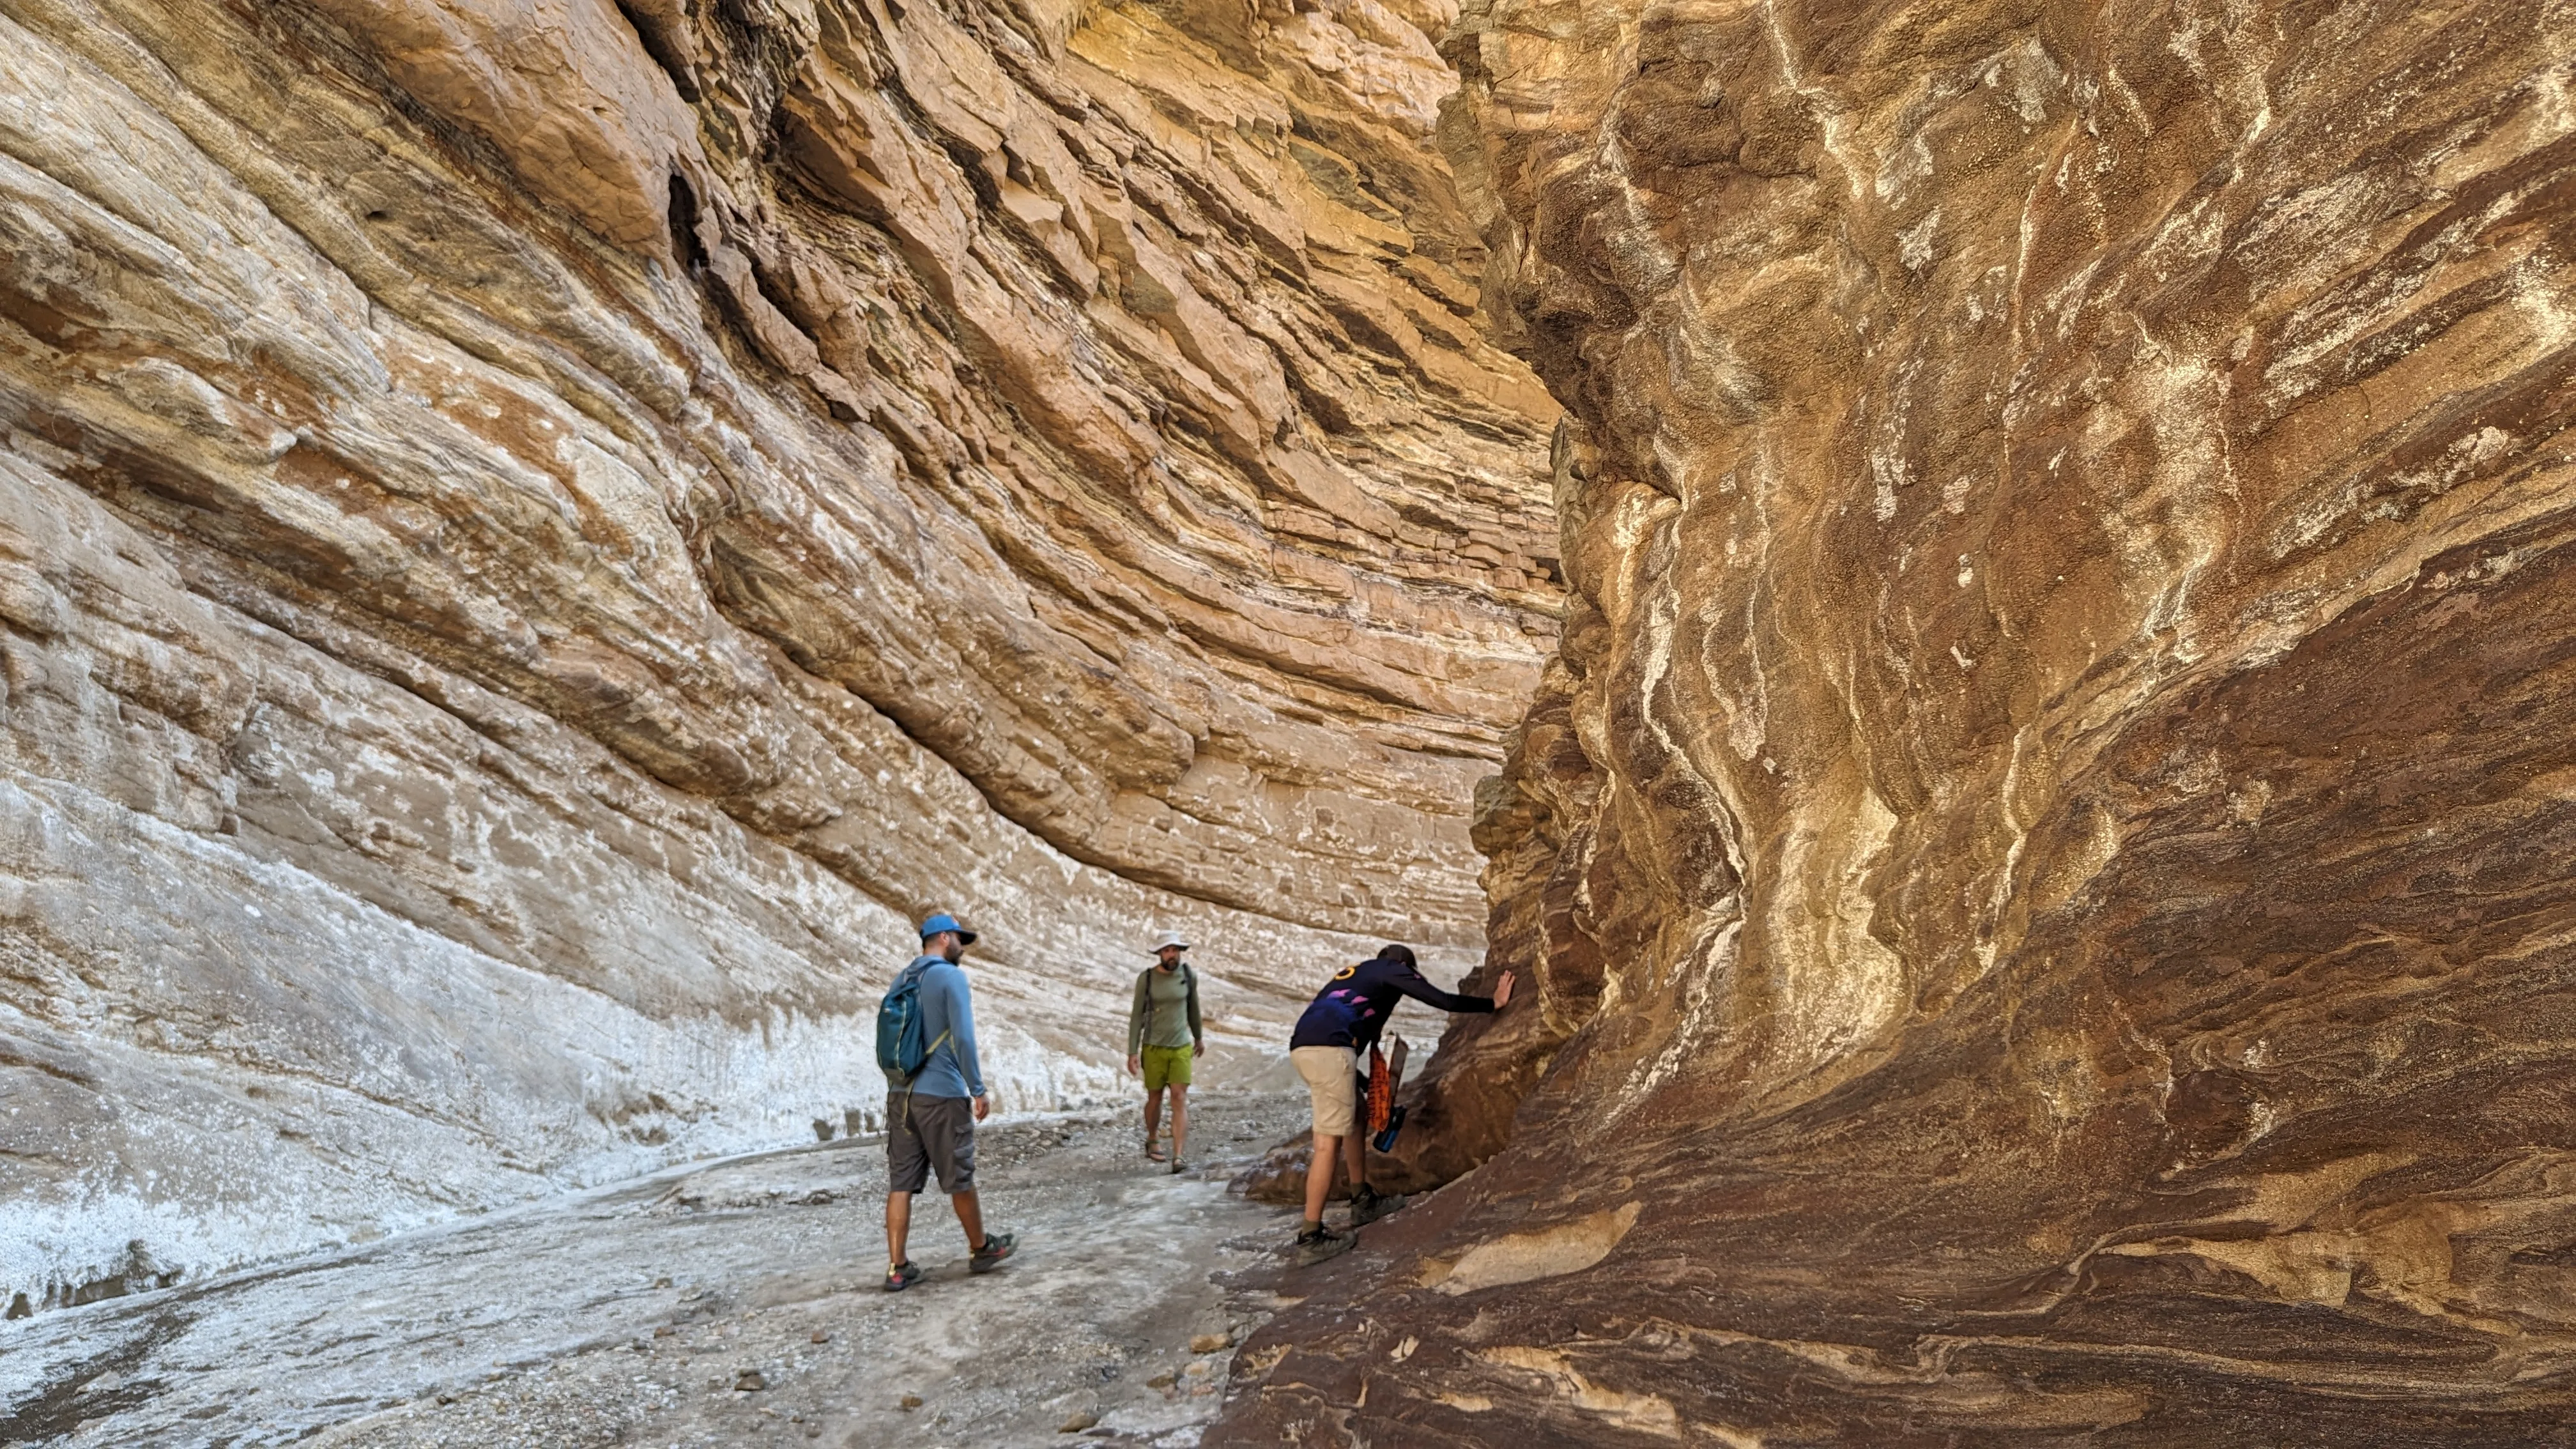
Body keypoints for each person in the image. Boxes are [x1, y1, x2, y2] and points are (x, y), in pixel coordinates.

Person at [1285, 945, 1514, 1264]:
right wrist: (1494, 1003)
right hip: (1330, 1052)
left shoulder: (1357, 974)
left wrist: (1368, 1083)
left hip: (1309, 1048)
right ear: (1404, 966)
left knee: (1358, 1114)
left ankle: (1361, 1198)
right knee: (1327, 1145)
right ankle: (1310, 1237)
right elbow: (1442, 1000)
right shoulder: (1392, 968)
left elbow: (1339, 1025)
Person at [882, 912, 1016, 1291]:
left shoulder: (902, 978)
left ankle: (897, 1267)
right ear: (943, 938)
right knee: (958, 1175)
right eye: (959, 938)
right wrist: (977, 1087)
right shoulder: (951, 977)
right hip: (941, 1093)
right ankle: (982, 1248)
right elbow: (964, 1038)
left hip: (901, 1095)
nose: (962, 946)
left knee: (901, 1182)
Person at [1126, 930, 1205, 1174]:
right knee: (1155, 1098)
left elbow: (1193, 1007)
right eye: (1167, 950)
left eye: (1175, 950)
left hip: (1181, 1046)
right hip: (1154, 1047)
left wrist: (1199, 1037)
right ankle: (1152, 1138)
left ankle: (1179, 1156)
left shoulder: (1188, 975)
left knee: (1179, 1098)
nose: (1172, 955)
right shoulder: (1147, 979)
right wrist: (1132, 1051)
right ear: (1160, 953)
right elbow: (1137, 1015)